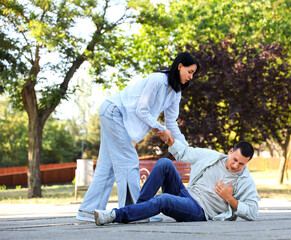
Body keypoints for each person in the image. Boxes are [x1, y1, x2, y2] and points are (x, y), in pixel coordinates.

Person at [76, 52, 200, 222]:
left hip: (116, 115)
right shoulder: (158, 80)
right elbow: (142, 109)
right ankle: (136, 211)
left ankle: (87, 210)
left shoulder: (175, 93)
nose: (191, 77)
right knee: (128, 160)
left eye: (193, 73)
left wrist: (187, 149)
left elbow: (172, 124)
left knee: (108, 166)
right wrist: (160, 128)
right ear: (180, 66)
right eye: (190, 71)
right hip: (113, 111)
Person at [93, 133, 258, 225]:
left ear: (247, 163)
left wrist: (230, 199)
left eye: (241, 164)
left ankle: (115, 215)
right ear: (230, 151)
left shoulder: (245, 181)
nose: (236, 165)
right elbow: (186, 153)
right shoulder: (213, 157)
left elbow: (252, 212)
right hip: (186, 194)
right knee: (165, 163)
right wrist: (170, 139)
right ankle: (140, 212)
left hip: (199, 211)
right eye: (235, 159)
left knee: (163, 200)